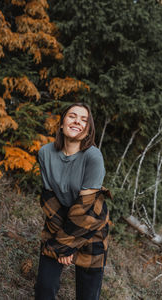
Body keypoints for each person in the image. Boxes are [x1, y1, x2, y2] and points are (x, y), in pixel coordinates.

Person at [35, 103, 112, 300]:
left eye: (84, 119)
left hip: (90, 226)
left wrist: (65, 246)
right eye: (72, 116)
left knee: (87, 295)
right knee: (45, 287)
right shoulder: (45, 153)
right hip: (58, 221)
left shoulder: (93, 156)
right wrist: (63, 245)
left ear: (88, 129)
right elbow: (49, 199)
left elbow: (85, 207)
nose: (77, 121)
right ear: (62, 123)